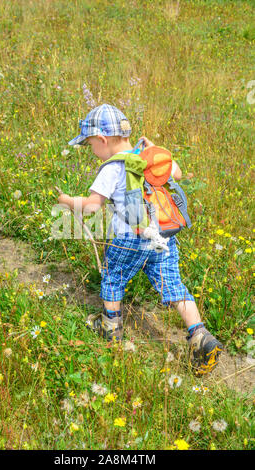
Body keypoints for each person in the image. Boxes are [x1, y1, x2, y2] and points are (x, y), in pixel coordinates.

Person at [58, 103, 223, 376]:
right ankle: (201, 336)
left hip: (129, 239)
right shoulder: (148, 157)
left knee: (113, 276)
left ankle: (111, 328)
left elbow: (90, 207)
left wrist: (65, 201)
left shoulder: (111, 168)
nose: (92, 152)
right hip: (163, 238)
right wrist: (155, 147)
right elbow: (177, 174)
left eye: (90, 145)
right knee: (172, 284)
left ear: (102, 140)